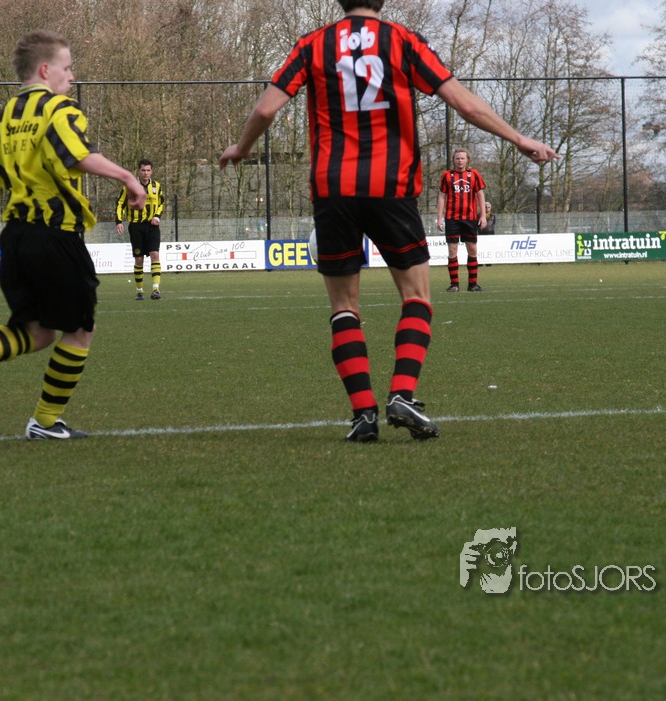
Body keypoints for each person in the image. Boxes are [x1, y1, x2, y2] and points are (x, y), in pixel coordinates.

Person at [219, 0, 557, 443]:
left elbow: (265, 110)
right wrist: (517, 138)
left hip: (333, 189)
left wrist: (242, 148)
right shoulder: (403, 41)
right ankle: (402, 394)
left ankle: (363, 415)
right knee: (416, 296)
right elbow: (463, 103)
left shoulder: (312, 45)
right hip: (391, 189)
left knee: (344, 308)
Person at [0, 29, 146, 439]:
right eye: (68, 68)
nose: (72, 76)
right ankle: (45, 422)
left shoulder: (2, 119)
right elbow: (76, 154)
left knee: (38, 331)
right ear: (46, 70)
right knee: (80, 330)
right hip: (54, 236)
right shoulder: (59, 109)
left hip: (15, 238)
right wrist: (128, 178)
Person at [437, 148, 486, 292]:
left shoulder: (474, 174)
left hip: (470, 218)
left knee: (472, 249)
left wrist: (483, 215)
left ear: (467, 160)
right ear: (453, 160)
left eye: (462, 158)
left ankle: (473, 284)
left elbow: (480, 195)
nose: (460, 161)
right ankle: (454, 284)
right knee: (452, 250)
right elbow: (442, 197)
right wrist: (439, 218)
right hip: (452, 218)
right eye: (457, 158)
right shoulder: (447, 175)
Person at [116, 159, 165, 300]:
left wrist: (157, 216)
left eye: (148, 170)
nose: (146, 173)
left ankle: (156, 289)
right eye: (143, 170)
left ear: (152, 171)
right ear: (138, 171)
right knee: (139, 259)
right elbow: (120, 204)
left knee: (155, 254)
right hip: (136, 226)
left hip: (152, 226)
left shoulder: (157, 186)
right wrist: (119, 221)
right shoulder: (129, 187)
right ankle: (139, 291)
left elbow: (161, 203)